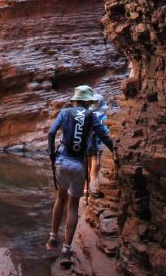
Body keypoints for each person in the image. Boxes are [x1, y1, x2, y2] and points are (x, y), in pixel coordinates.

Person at [46, 85, 113, 267]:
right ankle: (66, 250)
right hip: (78, 165)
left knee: (60, 198)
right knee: (74, 205)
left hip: (62, 162)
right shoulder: (91, 116)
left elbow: (52, 132)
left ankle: (53, 239)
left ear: (75, 100)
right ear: (88, 101)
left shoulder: (65, 112)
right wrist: (115, 149)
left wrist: (52, 154)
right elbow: (104, 136)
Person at [86, 94, 110, 197]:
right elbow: (105, 132)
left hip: (86, 145)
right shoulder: (102, 116)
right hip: (96, 145)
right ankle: (94, 189)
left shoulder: (87, 116)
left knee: (87, 167)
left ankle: (85, 189)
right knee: (95, 169)